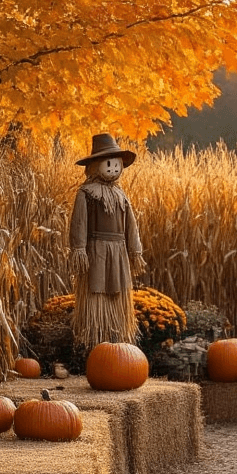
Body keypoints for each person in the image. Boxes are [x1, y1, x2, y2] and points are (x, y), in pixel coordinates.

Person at [69, 132, 144, 351]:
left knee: (118, 292)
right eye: (107, 163)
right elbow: (79, 223)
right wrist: (79, 249)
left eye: (115, 164)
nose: (112, 168)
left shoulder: (121, 195)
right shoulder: (86, 193)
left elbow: (131, 225)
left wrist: (135, 250)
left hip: (119, 251)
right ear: (95, 166)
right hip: (97, 250)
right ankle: (97, 341)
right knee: (97, 290)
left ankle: (118, 341)